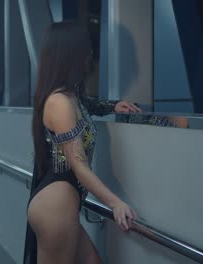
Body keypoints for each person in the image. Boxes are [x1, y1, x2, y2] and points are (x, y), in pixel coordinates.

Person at [23, 21, 140, 264]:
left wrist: (113, 106)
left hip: (61, 204)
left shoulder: (70, 96)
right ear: (69, 53)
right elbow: (79, 166)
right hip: (56, 206)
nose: (90, 55)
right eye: (85, 49)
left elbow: (87, 106)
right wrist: (115, 202)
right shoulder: (59, 102)